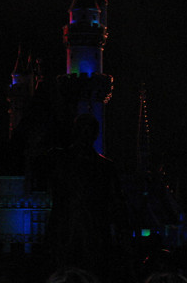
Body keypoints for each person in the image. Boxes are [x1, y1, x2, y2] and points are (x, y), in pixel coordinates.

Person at [46, 114, 130, 278]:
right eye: (82, 130)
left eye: (88, 131)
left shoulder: (103, 167)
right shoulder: (60, 160)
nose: (84, 135)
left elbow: (117, 204)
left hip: (85, 235)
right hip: (73, 234)